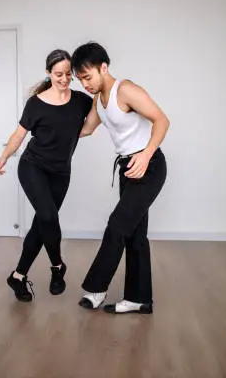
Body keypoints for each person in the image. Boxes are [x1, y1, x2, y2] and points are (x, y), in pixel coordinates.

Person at [72, 42, 170, 314]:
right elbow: (86, 130)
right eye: (80, 79)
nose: (85, 84)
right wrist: (50, 123)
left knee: (117, 225)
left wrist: (147, 154)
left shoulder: (125, 90)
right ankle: (139, 299)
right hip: (128, 169)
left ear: (104, 67)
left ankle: (96, 289)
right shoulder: (98, 101)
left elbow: (162, 120)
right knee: (134, 235)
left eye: (88, 77)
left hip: (148, 167)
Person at [0, 49, 93, 302]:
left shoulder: (81, 100)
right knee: (48, 216)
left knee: (42, 225)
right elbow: (19, 135)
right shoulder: (36, 103)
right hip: (32, 166)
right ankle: (57, 267)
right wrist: (5, 155)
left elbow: (91, 124)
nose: (63, 79)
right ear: (48, 73)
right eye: (58, 74)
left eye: (68, 74)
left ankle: (18, 277)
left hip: (61, 172)